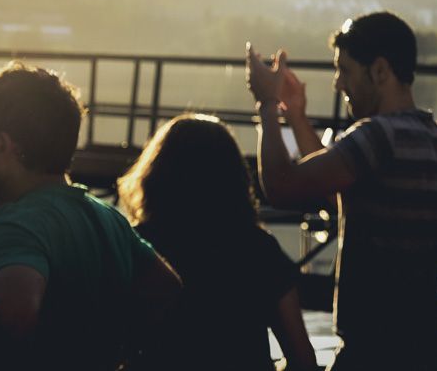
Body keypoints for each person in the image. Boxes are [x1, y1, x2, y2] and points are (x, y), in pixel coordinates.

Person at [0, 61, 181, 370]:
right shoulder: (107, 218)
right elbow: (166, 292)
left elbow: (15, 313)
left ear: (1, 146)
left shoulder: (17, 224)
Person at [245, 11, 437, 371]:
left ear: (379, 71)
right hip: (423, 345)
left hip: (373, 348)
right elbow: (333, 187)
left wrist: (266, 105)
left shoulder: (377, 136)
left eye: (344, 70)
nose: (338, 84)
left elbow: (282, 186)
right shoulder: (434, 139)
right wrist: (295, 116)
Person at [117, 113, 319, 371]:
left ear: (157, 175)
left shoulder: (137, 245)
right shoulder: (259, 249)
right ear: (234, 178)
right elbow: (303, 360)